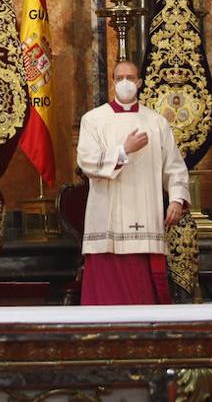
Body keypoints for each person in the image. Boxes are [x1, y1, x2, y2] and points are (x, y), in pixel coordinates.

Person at [76, 59, 190, 305]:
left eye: (130, 78)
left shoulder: (156, 122)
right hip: (107, 217)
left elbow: (174, 166)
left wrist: (177, 200)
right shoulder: (93, 120)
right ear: (113, 82)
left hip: (145, 213)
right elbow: (87, 162)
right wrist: (123, 151)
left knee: (142, 293)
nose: (125, 83)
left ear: (139, 82)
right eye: (120, 78)